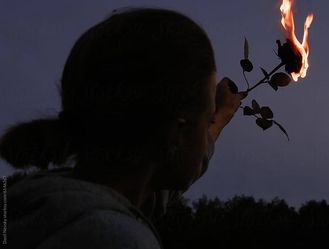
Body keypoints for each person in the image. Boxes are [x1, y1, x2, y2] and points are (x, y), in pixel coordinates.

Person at [0, 8, 242, 249]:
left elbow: (157, 181)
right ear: (176, 134)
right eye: (206, 116)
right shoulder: (115, 237)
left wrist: (217, 119)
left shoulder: (41, 203)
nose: (209, 124)